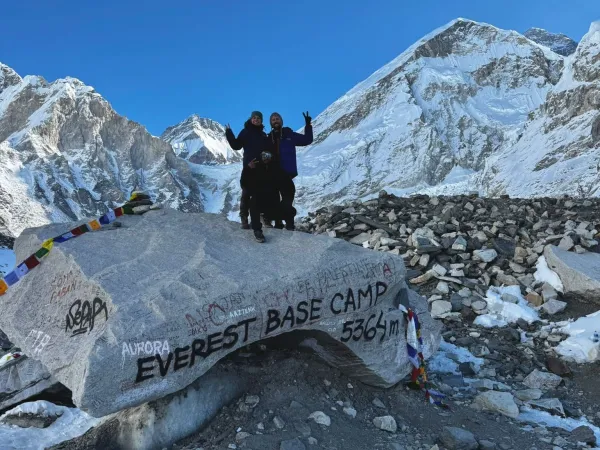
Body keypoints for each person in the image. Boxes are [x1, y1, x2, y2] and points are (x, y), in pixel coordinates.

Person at [267, 111, 313, 230]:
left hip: (286, 173)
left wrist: (308, 125)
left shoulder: (289, 134)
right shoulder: (268, 138)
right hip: (272, 174)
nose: (275, 120)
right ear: (271, 124)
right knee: (275, 200)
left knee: (287, 199)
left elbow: (307, 140)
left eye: (277, 118)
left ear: (281, 121)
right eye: (273, 119)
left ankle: (290, 225)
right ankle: (277, 224)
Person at [225, 111, 269, 229]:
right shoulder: (246, 132)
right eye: (254, 118)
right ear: (250, 119)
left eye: (258, 118)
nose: (256, 120)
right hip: (249, 167)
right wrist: (229, 133)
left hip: (261, 168)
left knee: (259, 193)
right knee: (246, 192)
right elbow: (236, 145)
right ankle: (244, 218)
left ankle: (260, 218)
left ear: (261, 121)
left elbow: (268, 151)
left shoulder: (263, 135)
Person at [240, 151, 283, 243]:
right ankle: (257, 230)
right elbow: (244, 182)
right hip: (259, 196)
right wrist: (247, 169)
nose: (266, 158)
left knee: (276, 201)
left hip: (272, 197)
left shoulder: (275, 168)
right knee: (254, 203)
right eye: (264, 156)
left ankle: (277, 223)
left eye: (268, 156)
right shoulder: (255, 168)